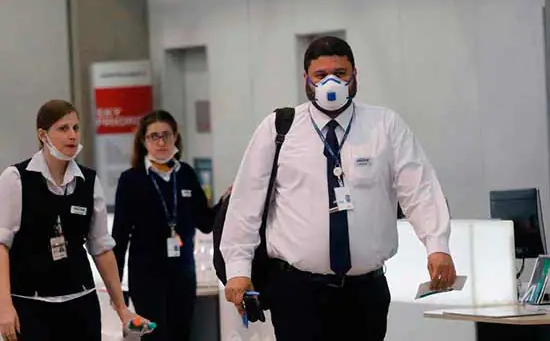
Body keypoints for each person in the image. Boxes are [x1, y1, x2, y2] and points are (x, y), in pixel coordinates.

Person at [221, 36, 457, 341]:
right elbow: (246, 203)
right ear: (306, 79)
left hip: (365, 292)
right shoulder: (279, 129)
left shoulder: (384, 125)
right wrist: (238, 268)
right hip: (297, 292)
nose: (331, 81)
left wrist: (437, 245)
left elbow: (420, 188)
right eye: (321, 75)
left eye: (341, 73)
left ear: (355, 75)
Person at [0, 100, 147, 341]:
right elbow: (1, 246)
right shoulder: (16, 179)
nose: (72, 136)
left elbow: (101, 249)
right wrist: (4, 306)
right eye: (63, 128)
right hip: (30, 304)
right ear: (42, 134)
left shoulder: (88, 181)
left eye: (76, 128)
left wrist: (122, 308)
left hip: (81, 303)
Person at [112, 110, 229, 341]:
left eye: (166, 135)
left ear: (175, 137)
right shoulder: (131, 179)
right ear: (144, 142)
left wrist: (226, 202)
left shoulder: (185, 173)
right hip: (146, 277)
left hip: (182, 275)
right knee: (155, 336)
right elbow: (120, 236)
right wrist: (117, 293)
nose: (161, 142)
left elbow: (205, 222)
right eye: (154, 136)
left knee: (181, 334)